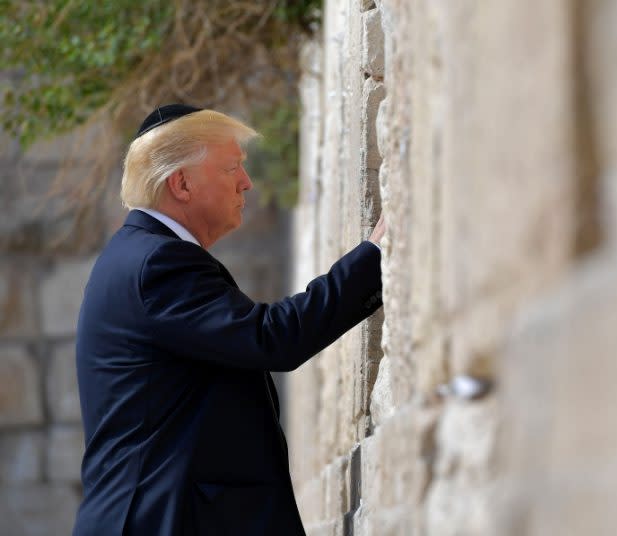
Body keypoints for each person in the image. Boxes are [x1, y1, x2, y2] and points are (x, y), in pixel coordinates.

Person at [72, 104, 386, 536]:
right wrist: (376, 258)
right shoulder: (157, 264)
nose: (246, 182)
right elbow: (273, 338)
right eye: (232, 167)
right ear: (181, 183)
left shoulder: (140, 256)